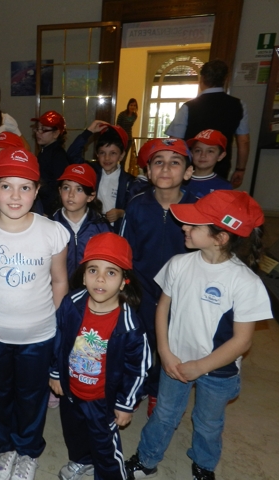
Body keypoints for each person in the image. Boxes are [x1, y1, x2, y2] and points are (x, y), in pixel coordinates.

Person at [124, 190, 272, 480]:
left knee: (208, 423)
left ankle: (204, 465)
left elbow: (242, 340)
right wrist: (164, 351)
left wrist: (201, 366)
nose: (184, 227)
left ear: (221, 237)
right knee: (164, 413)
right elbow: (162, 307)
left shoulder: (245, 282)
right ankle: (146, 459)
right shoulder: (179, 264)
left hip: (218, 371)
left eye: (194, 225)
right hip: (175, 360)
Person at [0, 147, 70, 480]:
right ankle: (5, 446)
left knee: (32, 396)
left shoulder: (52, 232)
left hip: (38, 336)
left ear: (37, 191)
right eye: (6, 186)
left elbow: (60, 281)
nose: (15, 195)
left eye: (25, 187)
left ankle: (28, 449)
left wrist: (52, 322)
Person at [50, 233, 151, 480]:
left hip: (102, 399)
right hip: (72, 391)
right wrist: (55, 373)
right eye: (93, 270)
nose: (100, 278)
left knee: (105, 446)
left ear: (124, 281)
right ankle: (82, 460)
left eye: (111, 272)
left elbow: (138, 368)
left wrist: (125, 404)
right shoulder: (71, 304)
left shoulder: (129, 325)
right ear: (84, 276)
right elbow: (59, 338)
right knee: (74, 432)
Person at [119, 138, 197, 415]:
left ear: (188, 172)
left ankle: (156, 389)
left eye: (175, 162)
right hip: (142, 289)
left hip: (181, 293)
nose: (165, 168)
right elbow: (123, 250)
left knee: (171, 343)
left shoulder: (198, 209)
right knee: (139, 341)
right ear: (148, 172)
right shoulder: (136, 206)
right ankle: (135, 386)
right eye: (158, 162)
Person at [165, 59, 250, 188]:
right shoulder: (239, 105)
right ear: (225, 79)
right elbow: (243, 141)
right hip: (220, 164)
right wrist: (240, 169)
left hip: (190, 168)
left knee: (187, 197)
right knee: (216, 198)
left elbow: (174, 142)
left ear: (202, 79)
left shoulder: (189, 107)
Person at [67, 121, 136, 233]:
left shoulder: (129, 182)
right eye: (102, 153)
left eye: (113, 153)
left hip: (116, 232)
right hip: (91, 229)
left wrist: (121, 213)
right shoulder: (92, 172)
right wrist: (88, 132)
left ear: (122, 155)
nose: (107, 158)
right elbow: (72, 155)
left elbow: (137, 210)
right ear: (97, 154)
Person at [53, 163, 110, 279]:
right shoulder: (50, 225)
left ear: (91, 196)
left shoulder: (101, 228)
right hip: (57, 287)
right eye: (66, 188)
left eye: (79, 189)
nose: (71, 194)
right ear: (59, 191)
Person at [32, 110, 71, 214]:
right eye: (37, 128)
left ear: (56, 133)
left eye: (43, 129)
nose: (38, 132)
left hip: (50, 207)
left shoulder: (58, 155)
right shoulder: (45, 151)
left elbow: (58, 186)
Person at [186, 129, 233, 198]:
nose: (203, 155)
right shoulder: (179, 180)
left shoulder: (224, 186)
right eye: (198, 150)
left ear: (220, 156)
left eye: (210, 151)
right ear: (191, 153)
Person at [116, 98, 139, 168]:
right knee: (118, 155)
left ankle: (121, 171)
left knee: (124, 157)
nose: (132, 107)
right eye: (131, 105)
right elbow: (117, 126)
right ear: (128, 105)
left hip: (129, 138)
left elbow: (130, 127)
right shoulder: (122, 114)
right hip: (121, 138)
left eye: (134, 105)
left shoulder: (135, 116)